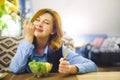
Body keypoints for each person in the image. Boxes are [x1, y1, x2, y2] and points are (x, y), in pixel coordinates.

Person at [9, 8, 97, 74]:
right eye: (37, 20)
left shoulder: (59, 50)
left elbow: (92, 66)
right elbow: (15, 70)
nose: (39, 24)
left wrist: (71, 69)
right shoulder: (25, 45)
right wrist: (28, 38)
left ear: (53, 30)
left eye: (46, 23)